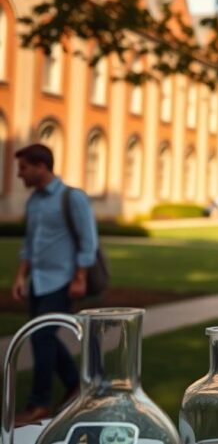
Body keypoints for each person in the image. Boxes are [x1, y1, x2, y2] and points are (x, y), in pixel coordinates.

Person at [11, 144, 98, 425]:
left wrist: (80, 278)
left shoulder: (72, 198)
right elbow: (29, 244)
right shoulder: (34, 201)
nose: (19, 174)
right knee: (43, 336)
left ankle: (39, 404)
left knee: (41, 336)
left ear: (40, 166)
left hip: (62, 281)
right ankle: (75, 384)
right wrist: (20, 277)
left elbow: (88, 241)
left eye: (23, 168)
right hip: (38, 281)